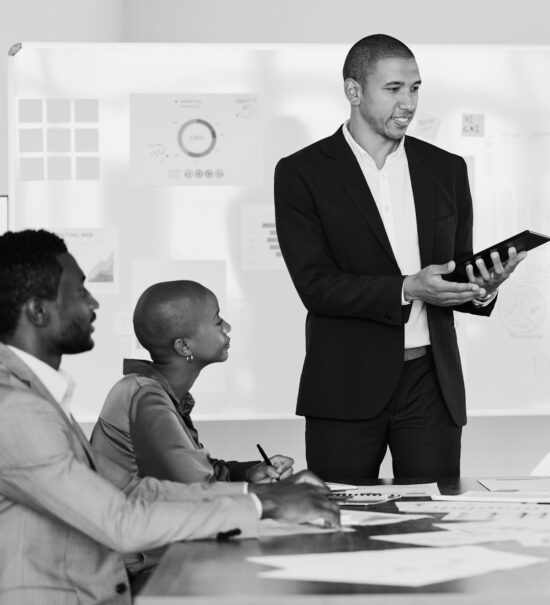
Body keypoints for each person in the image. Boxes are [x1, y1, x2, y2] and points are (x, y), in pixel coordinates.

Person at [0, 230, 340, 604]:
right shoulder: (15, 409)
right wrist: (268, 504)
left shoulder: (34, 395)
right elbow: (122, 520)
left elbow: (133, 491)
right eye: (80, 291)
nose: (94, 302)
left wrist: (261, 492)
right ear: (37, 310)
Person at [274, 34, 526, 480]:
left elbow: (452, 273)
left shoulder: (446, 169)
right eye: (393, 89)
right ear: (354, 91)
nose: (408, 102)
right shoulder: (301, 173)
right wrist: (407, 288)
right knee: (343, 528)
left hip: (432, 381)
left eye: (415, 88)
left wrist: (481, 287)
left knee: (433, 528)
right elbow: (314, 285)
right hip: (344, 383)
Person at [91, 280, 292, 483]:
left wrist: (249, 473)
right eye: (218, 321)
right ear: (184, 346)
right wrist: (284, 494)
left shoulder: (156, 391)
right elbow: (198, 489)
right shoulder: (146, 398)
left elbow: (194, 470)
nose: (227, 327)